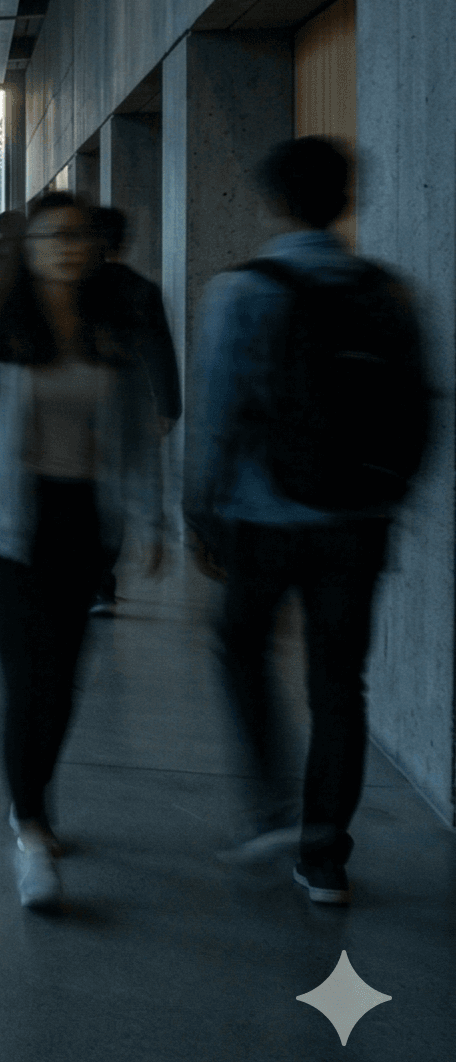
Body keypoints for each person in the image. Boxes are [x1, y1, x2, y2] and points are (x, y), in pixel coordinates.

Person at [0, 192, 168, 911]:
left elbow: (135, 436)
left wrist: (151, 518)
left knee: (63, 681)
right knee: (26, 680)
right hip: (2, 523)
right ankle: (32, 828)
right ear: (31, 249)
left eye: (79, 237)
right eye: (52, 237)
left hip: (84, 524)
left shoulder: (112, 333)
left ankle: (31, 795)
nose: (67, 248)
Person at [188, 138, 428, 907]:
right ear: (348, 198)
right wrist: (389, 498)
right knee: (339, 686)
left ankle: (271, 808)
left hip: (263, 517)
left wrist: (201, 509)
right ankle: (324, 858)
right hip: (358, 521)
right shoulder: (390, 292)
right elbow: (422, 405)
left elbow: (216, 414)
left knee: (240, 649)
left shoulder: (242, 291)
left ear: (273, 201)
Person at [88, 206, 181, 615]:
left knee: (89, 490)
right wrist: (168, 406)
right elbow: (160, 349)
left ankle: (88, 579)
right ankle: (102, 585)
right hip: (127, 398)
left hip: (79, 401)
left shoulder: (75, 285)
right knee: (116, 490)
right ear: (125, 241)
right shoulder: (142, 288)